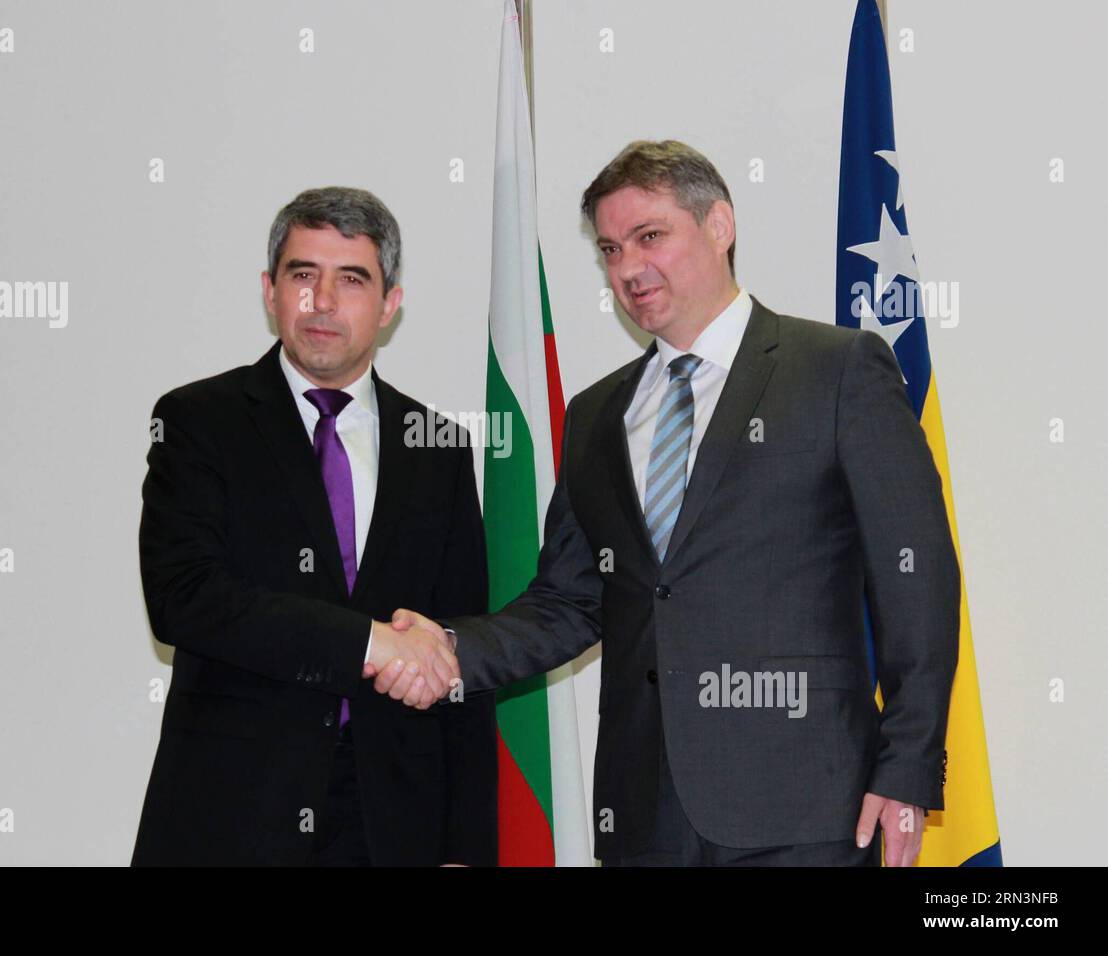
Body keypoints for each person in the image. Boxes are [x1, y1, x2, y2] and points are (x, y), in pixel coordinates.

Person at [386, 140, 960, 866]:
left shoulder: (838, 370)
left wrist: (907, 766)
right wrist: (450, 650)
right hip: (643, 814)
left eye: (649, 236)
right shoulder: (596, 414)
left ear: (719, 225)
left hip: (807, 807)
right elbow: (570, 600)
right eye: (610, 249)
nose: (627, 268)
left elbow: (917, 577)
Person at [131, 187, 496, 866]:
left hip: (393, 820)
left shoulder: (436, 444)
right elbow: (184, 599)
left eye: (351, 279)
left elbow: (459, 650)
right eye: (303, 275)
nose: (321, 301)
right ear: (271, 291)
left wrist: (465, 846)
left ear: (390, 304)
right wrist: (368, 643)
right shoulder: (199, 421)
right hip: (234, 811)